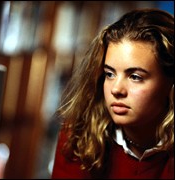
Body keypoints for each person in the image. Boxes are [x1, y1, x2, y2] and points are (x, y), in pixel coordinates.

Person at [51, 8, 174, 179]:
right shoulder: (79, 137)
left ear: (170, 84)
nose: (116, 89)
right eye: (109, 74)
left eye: (135, 77)